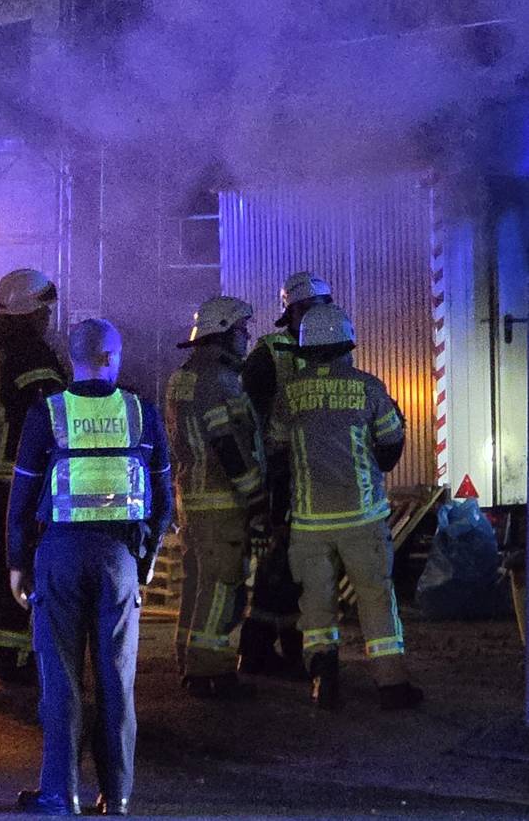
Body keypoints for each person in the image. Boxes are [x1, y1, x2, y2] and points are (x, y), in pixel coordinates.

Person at [7, 319, 174, 816]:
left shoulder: (48, 413)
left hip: (58, 554)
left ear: (72, 357)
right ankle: (118, 794)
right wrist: (144, 562)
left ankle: (60, 794)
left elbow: (20, 499)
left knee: (60, 677)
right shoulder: (141, 413)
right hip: (119, 559)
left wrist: (17, 564)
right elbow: (163, 501)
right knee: (116, 679)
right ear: (115, 356)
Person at [278, 302, 423, 711]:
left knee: (317, 604)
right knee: (376, 597)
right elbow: (392, 443)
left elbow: (274, 448)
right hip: (363, 517)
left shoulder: (288, 394)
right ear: (347, 345)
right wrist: (373, 468)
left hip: (308, 522)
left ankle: (323, 682)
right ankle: (392, 685)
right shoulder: (369, 387)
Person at [0, 268, 67, 683]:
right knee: (28, 560)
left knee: (0, 558)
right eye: (44, 311)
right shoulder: (33, 356)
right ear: (30, 312)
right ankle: (24, 656)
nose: (48, 319)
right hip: (19, 477)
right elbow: (53, 417)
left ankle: (4, 648)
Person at [165, 296, 265, 699]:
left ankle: (187, 656)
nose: (245, 338)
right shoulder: (219, 382)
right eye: (242, 330)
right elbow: (228, 444)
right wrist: (254, 493)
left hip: (190, 498)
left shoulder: (183, 377)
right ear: (223, 330)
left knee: (198, 584)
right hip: (221, 501)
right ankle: (210, 671)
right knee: (223, 585)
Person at [239, 271, 333, 677]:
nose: (323, 314)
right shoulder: (268, 354)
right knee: (280, 561)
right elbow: (252, 420)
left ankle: (284, 650)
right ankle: (261, 649)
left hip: (313, 472)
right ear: (295, 310)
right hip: (281, 473)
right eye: (317, 307)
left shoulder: (328, 344)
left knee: (301, 566)